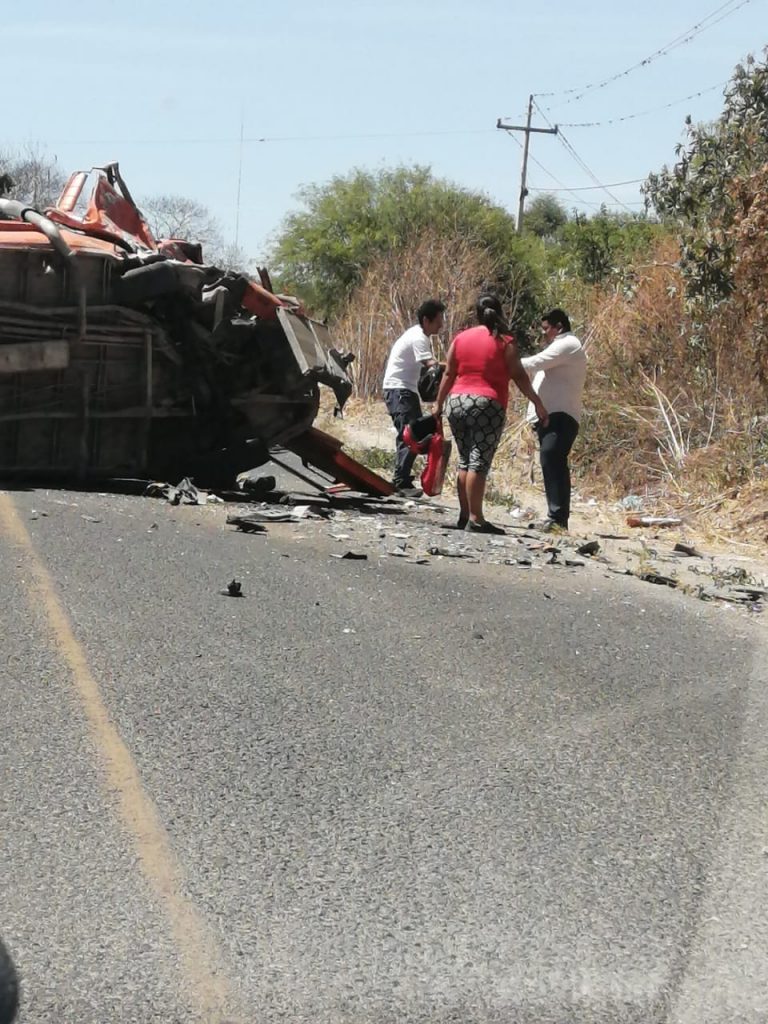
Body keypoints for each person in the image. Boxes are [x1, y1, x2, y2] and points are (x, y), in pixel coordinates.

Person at [435, 295, 548, 534]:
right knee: (479, 461)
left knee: (464, 459)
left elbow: (448, 373)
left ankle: (464, 515)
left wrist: (438, 404)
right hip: (487, 403)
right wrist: (537, 402)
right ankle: (476, 518)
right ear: (500, 313)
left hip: (456, 401)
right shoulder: (505, 341)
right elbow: (518, 375)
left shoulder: (461, 338)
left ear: (477, 314)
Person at [521, 308, 587, 532]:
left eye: (547, 329)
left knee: (553, 458)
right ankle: (555, 516)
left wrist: (507, 362)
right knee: (550, 461)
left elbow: (534, 363)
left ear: (559, 327)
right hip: (552, 415)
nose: (544, 334)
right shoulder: (560, 346)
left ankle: (558, 517)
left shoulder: (567, 344)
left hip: (562, 415)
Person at [382, 299, 446, 495]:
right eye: (438, 320)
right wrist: (455, 366)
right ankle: (401, 481)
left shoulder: (418, 334)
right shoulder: (419, 337)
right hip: (399, 390)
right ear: (426, 320)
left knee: (411, 433)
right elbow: (431, 365)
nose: (441, 325)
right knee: (410, 435)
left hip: (404, 390)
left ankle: (403, 478)